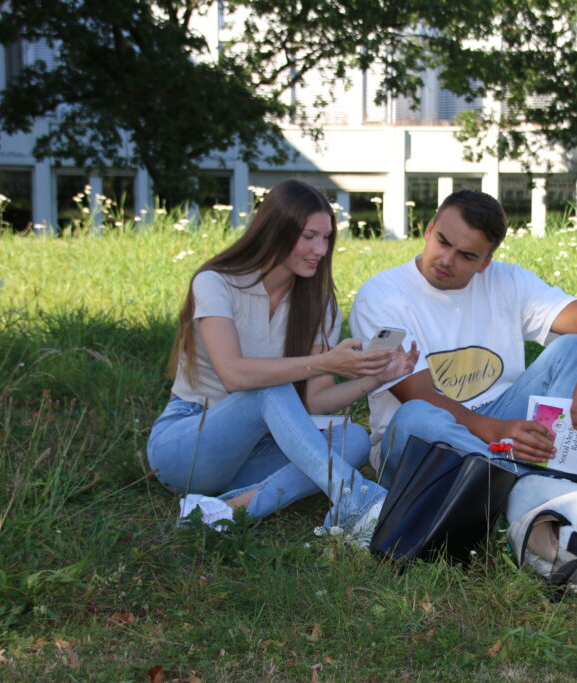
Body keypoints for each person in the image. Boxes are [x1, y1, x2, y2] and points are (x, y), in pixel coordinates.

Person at [148, 179, 417, 538]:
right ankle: (359, 499)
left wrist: (375, 377)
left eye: (326, 238)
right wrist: (324, 363)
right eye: (309, 236)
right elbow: (234, 375)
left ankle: (227, 510)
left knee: (352, 437)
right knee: (268, 389)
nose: (320, 249)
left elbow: (316, 399)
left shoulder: (319, 304)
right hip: (189, 443)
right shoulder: (216, 283)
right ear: (275, 230)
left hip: (257, 451)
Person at [349, 189, 577, 487]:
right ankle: (529, 483)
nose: (446, 260)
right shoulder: (380, 296)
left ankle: (539, 465)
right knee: (416, 416)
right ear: (429, 230)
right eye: (443, 242)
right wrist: (493, 430)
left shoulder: (509, 281)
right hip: (425, 438)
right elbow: (417, 394)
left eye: (466, 256)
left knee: (573, 346)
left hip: (505, 417)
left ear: (484, 262)